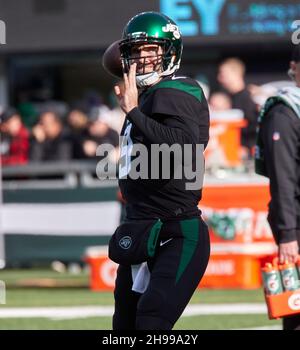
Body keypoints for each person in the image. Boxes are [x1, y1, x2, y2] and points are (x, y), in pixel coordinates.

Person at [111, 11, 210, 330]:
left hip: (175, 230)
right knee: (124, 328)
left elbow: (183, 148)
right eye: (136, 51)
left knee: (151, 322)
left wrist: (135, 113)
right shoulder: (146, 97)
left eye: (151, 50)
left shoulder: (178, 90)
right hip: (141, 228)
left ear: (169, 51)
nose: (143, 58)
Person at [255, 44, 300, 330]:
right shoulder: (285, 110)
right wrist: (288, 234)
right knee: (297, 311)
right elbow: (283, 179)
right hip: (297, 222)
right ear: (295, 67)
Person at [218, 58, 258, 155]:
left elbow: (255, 127)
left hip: (245, 154)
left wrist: (247, 148)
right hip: (228, 150)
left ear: (236, 74)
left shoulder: (250, 98)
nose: (219, 78)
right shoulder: (227, 99)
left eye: (224, 75)